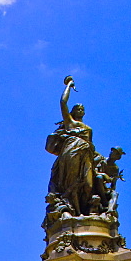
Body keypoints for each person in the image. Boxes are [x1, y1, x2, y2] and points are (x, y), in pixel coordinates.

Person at [46, 77, 96, 215]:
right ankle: (72, 209)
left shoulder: (88, 129)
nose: (80, 110)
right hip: (71, 153)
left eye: (82, 108)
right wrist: (68, 85)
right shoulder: (70, 124)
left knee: (89, 185)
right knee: (70, 183)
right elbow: (63, 102)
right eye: (77, 108)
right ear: (73, 112)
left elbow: (92, 146)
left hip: (86, 155)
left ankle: (86, 212)